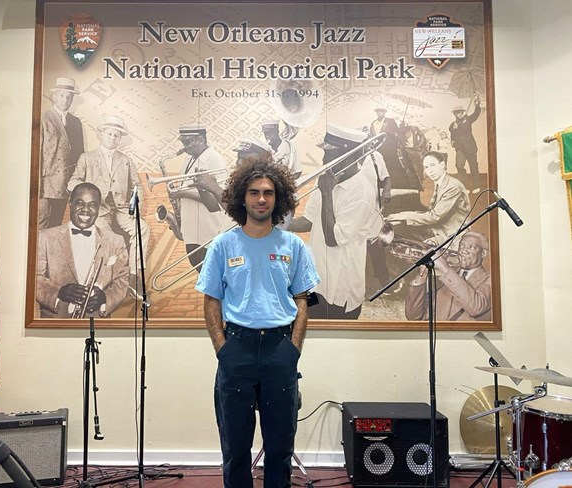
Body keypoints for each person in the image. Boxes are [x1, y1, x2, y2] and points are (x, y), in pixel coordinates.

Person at [195, 156, 320, 488]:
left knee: (280, 450)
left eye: (268, 192)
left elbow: (302, 300)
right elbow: (211, 299)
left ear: (278, 198)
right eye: (253, 192)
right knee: (235, 450)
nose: (261, 199)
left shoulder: (294, 246)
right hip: (237, 350)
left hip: (280, 351)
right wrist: (223, 348)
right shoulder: (223, 245)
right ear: (242, 198)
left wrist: (293, 349)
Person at [289, 125, 379, 319]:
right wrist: (275, 224)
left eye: (329, 156)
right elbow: (309, 221)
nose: (323, 162)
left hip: (340, 291)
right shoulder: (326, 181)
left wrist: (327, 193)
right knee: (310, 339)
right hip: (316, 283)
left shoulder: (362, 192)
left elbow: (333, 238)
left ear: (349, 158)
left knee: (338, 345)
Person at [67, 115, 149, 296]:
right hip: (98, 210)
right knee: (107, 236)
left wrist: (135, 207)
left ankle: (134, 275)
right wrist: (85, 194)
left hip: (122, 208)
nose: (113, 138)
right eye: (110, 134)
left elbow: (136, 186)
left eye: (117, 136)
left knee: (142, 228)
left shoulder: (125, 160)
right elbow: (73, 181)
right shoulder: (87, 158)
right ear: (101, 134)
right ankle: (109, 279)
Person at [35, 182, 129, 318]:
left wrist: (104, 299)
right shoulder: (44, 238)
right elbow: (35, 279)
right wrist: (59, 292)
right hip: (56, 323)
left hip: (96, 324)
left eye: (92, 205)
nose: (86, 210)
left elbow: (122, 280)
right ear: (70, 204)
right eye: (80, 203)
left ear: (99, 209)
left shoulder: (115, 241)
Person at [173, 125, 228, 269]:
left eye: (187, 142)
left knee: (211, 269)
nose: (184, 147)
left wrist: (183, 194)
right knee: (196, 264)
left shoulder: (215, 159)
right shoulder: (189, 159)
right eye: (183, 143)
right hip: (191, 224)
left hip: (208, 225)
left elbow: (219, 194)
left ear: (201, 139)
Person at [387, 151, 470, 245]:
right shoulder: (441, 182)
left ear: (442, 164)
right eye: (426, 167)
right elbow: (431, 212)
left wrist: (404, 216)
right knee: (402, 231)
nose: (430, 171)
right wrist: (405, 216)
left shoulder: (452, 187)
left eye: (432, 165)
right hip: (441, 227)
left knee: (401, 236)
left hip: (452, 234)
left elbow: (434, 216)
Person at [405, 231, 491, 321]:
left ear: (483, 253)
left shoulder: (490, 280)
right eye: (461, 246)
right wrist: (422, 274)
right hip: (441, 334)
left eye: (471, 247)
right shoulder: (446, 278)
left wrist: (444, 266)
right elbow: (414, 317)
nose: (463, 250)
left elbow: (476, 307)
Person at [38, 77, 84, 229]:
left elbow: (80, 155)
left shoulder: (76, 122)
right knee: (42, 225)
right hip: (47, 184)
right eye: (62, 95)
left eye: (69, 96)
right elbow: (37, 154)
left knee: (56, 225)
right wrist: (37, 186)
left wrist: (77, 183)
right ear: (54, 96)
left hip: (67, 184)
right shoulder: (43, 118)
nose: (65, 99)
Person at [449, 95, 482, 193]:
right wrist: (453, 141)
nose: (459, 114)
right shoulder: (452, 125)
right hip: (460, 149)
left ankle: (476, 185)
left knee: (473, 166)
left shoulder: (468, 119)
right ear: (454, 114)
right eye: (457, 112)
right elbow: (452, 136)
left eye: (461, 112)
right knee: (459, 165)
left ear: (463, 112)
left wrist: (477, 104)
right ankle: (464, 186)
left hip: (471, 148)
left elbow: (476, 113)